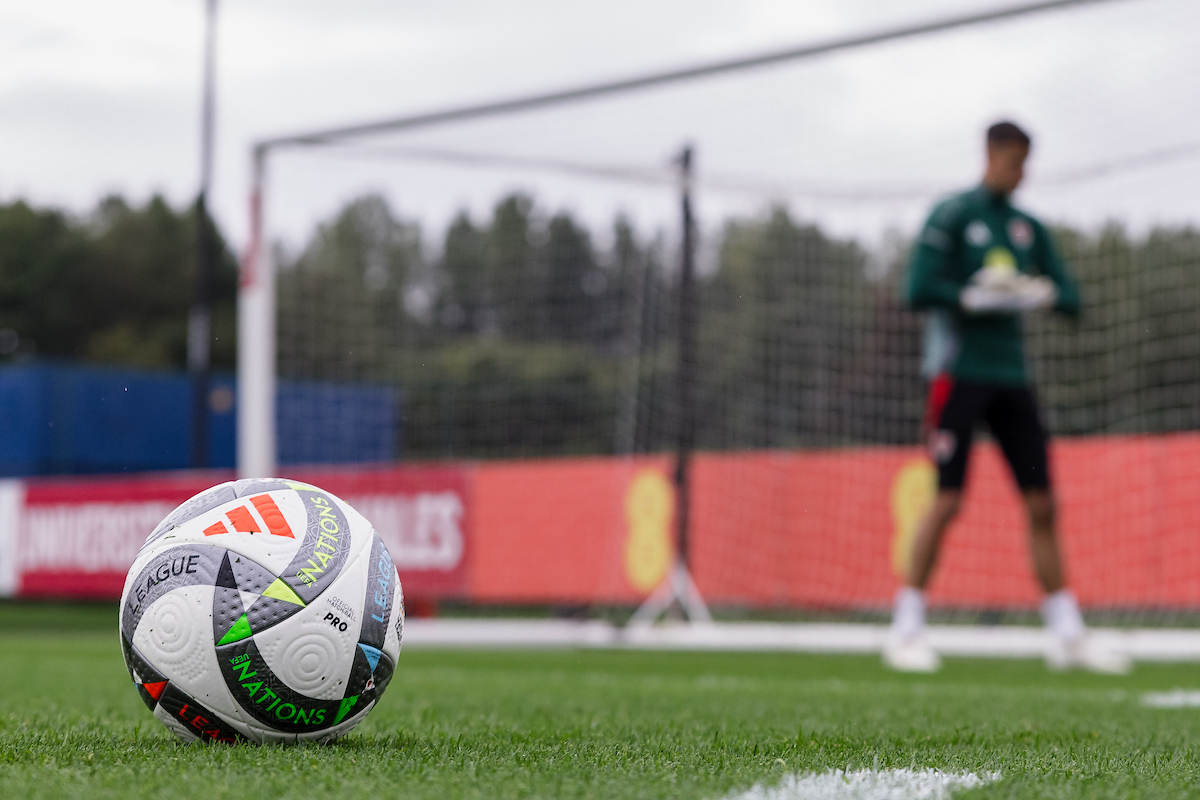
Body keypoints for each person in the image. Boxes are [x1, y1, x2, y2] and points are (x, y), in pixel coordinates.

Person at [885, 120, 1129, 674]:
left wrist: (1037, 294)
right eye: (1013, 160)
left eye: (1026, 162)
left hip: (1012, 378)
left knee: (1042, 502)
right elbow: (916, 288)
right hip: (957, 373)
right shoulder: (953, 215)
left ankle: (1067, 636)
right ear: (991, 154)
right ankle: (906, 629)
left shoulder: (1026, 228)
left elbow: (1070, 296)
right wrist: (972, 297)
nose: (1020, 172)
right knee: (946, 501)